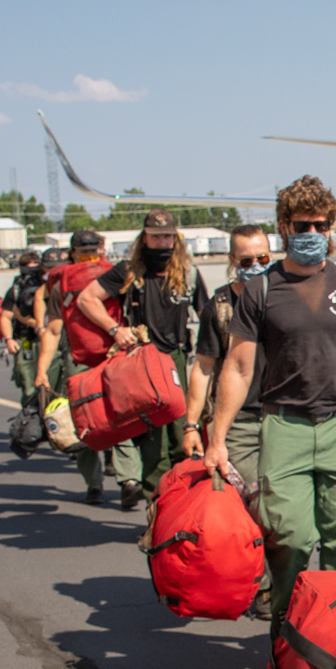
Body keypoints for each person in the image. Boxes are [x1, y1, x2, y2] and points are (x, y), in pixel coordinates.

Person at [205, 176, 336, 621]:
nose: (313, 235)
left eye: (321, 225)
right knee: (287, 535)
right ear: (284, 227)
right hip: (284, 426)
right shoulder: (261, 290)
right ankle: (287, 624)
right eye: (302, 226)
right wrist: (217, 437)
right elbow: (237, 367)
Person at [77, 208, 209, 487]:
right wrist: (115, 330)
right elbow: (87, 299)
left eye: (167, 237)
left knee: (183, 438)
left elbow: (206, 315)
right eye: (156, 236)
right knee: (153, 447)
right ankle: (154, 514)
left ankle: (181, 510)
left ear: (176, 239)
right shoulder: (129, 271)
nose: (162, 242)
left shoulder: (189, 274)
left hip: (176, 361)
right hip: (143, 363)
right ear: (144, 238)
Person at [186, 224, 276, 618]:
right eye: (246, 261)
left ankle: (278, 582)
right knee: (259, 501)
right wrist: (192, 425)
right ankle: (265, 586)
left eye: (263, 259)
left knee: (285, 511)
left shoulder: (283, 296)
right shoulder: (220, 308)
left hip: (284, 418)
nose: (256, 266)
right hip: (240, 423)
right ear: (231, 262)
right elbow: (203, 368)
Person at [32, 229, 123, 504]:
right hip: (87, 359)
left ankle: (119, 477)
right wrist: (42, 371)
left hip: (107, 357)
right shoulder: (64, 283)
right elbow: (53, 328)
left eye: (93, 251)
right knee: (85, 422)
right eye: (85, 252)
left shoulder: (114, 275)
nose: (89, 257)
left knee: (118, 416)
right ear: (72, 253)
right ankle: (99, 481)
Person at [0, 248, 48, 397]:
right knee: (28, 383)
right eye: (28, 268)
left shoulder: (48, 287)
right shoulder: (16, 289)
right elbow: (6, 317)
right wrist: (9, 340)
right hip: (25, 339)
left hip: (47, 338)